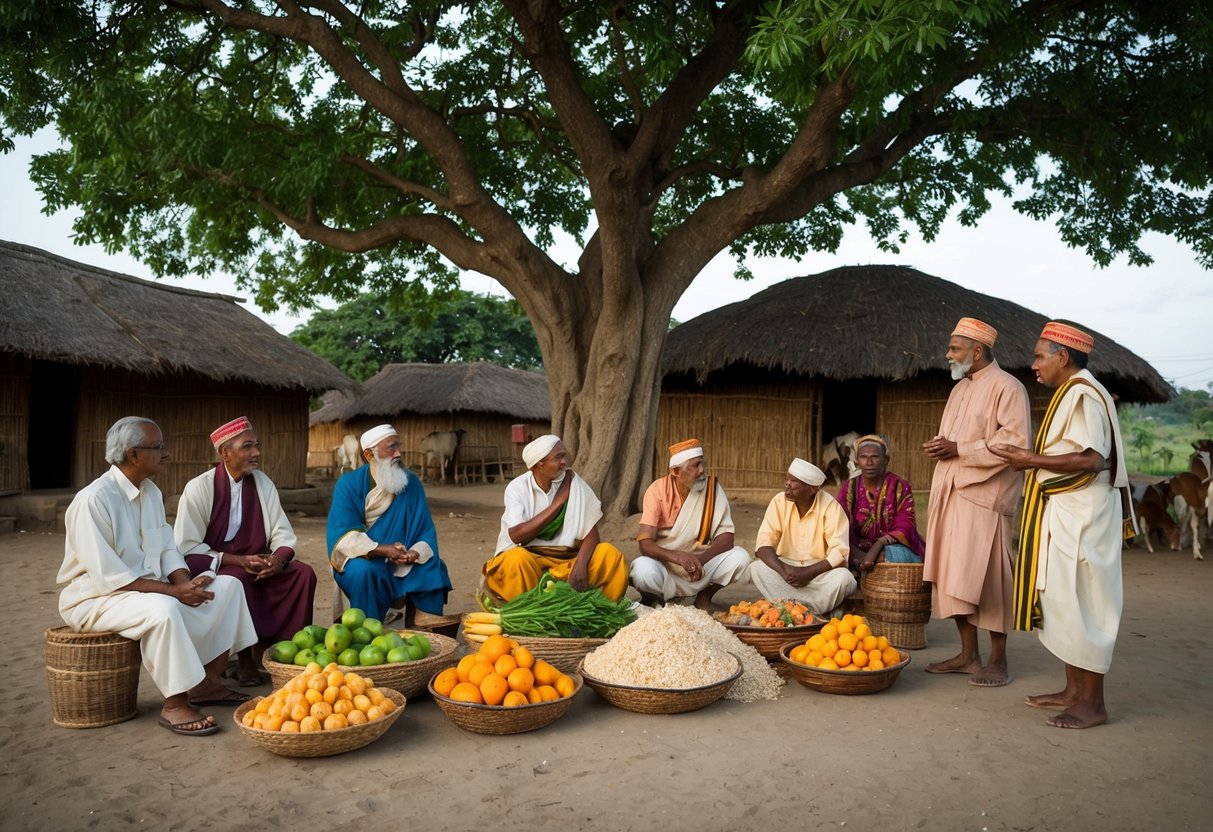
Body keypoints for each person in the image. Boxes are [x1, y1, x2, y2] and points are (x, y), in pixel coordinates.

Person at [57, 417, 258, 736]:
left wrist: (184, 584)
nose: (166, 453)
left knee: (229, 586)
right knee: (161, 610)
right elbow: (111, 577)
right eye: (158, 447)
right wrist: (174, 594)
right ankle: (175, 704)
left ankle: (208, 683)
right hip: (97, 598)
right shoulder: (93, 500)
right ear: (133, 455)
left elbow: (167, 549)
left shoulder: (150, 492)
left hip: (145, 591)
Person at [991, 322, 1134, 729]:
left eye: (1039, 356)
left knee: (1085, 602)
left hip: (1084, 516)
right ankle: (1074, 691)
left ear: (1062, 357)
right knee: (1065, 601)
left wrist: (1029, 460)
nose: (1033, 364)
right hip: (1069, 513)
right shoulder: (1075, 392)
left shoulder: (1084, 396)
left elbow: (1092, 459)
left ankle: (1093, 704)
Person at [922, 317, 1031, 687]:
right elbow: (953, 440)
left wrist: (960, 449)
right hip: (950, 493)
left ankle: (998, 661)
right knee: (953, 574)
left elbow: (1015, 444)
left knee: (990, 579)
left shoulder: (1008, 387)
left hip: (986, 498)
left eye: (954, 348)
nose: (948, 354)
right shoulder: (959, 389)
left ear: (977, 351)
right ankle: (969, 655)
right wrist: (942, 447)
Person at [174, 417, 317, 686]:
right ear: (225, 453)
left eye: (257, 446)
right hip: (218, 564)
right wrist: (238, 560)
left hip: (260, 562)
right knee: (237, 581)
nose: (257, 453)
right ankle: (245, 658)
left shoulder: (263, 483)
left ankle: (284, 653)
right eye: (248, 447)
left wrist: (276, 559)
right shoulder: (199, 488)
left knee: (302, 574)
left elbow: (282, 533)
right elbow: (187, 547)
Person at [326, 424, 452, 623]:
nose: (398, 454)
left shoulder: (411, 483)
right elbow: (343, 535)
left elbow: (425, 529)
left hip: (403, 559)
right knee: (363, 572)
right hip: (365, 558)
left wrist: (416, 552)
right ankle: (367, 635)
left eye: (398, 447)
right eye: (391, 448)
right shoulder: (348, 484)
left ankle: (427, 635)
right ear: (369, 455)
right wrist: (382, 549)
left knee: (432, 568)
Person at [483, 434, 628, 601]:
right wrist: (557, 504)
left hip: (567, 559)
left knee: (609, 555)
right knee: (515, 561)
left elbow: (591, 533)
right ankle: (532, 614)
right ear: (540, 463)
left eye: (563, 455)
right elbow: (516, 535)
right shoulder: (517, 488)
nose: (564, 462)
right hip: (530, 559)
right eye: (558, 457)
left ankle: (604, 610)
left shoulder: (573, 483)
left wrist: (580, 565)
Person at [630, 439, 751, 609]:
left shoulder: (712, 489)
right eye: (694, 466)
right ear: (676, 472)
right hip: (666, 565)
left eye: (701, 464)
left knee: (741, 558)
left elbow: (726, 537)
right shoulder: (656, 491)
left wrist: (698, 561)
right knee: (642, 570)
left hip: (701, 567)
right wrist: (679, 557)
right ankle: (657, 599)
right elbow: (645, 544)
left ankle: (704, 595)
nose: (701, 471)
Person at [749, 458, 857, 616]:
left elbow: (839, 553)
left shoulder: (831, 507)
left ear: (812, 489)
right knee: (757, 568)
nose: (787, 484)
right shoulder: (778, 502)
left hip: (819, 572)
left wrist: (807, 573)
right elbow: (763, 544)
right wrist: (784, 570)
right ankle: (813, 610)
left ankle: (791, 608)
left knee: (844, 578)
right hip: (787, 569)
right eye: (787, 479)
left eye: (793, 481)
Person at [836, 434, 926, 574]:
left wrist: (879, 545)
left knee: (898, 556)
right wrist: (859, 555)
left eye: (875, 457)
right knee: (834, 549)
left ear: (886, 460)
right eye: (863, 457)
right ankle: (862, 564)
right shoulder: (849, 488)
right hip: (856, 549)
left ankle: (863, 568)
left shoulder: (899, 487)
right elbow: (839, 523)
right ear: (856, 461)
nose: (869, 462)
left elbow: (906, 525)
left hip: (889, 548)